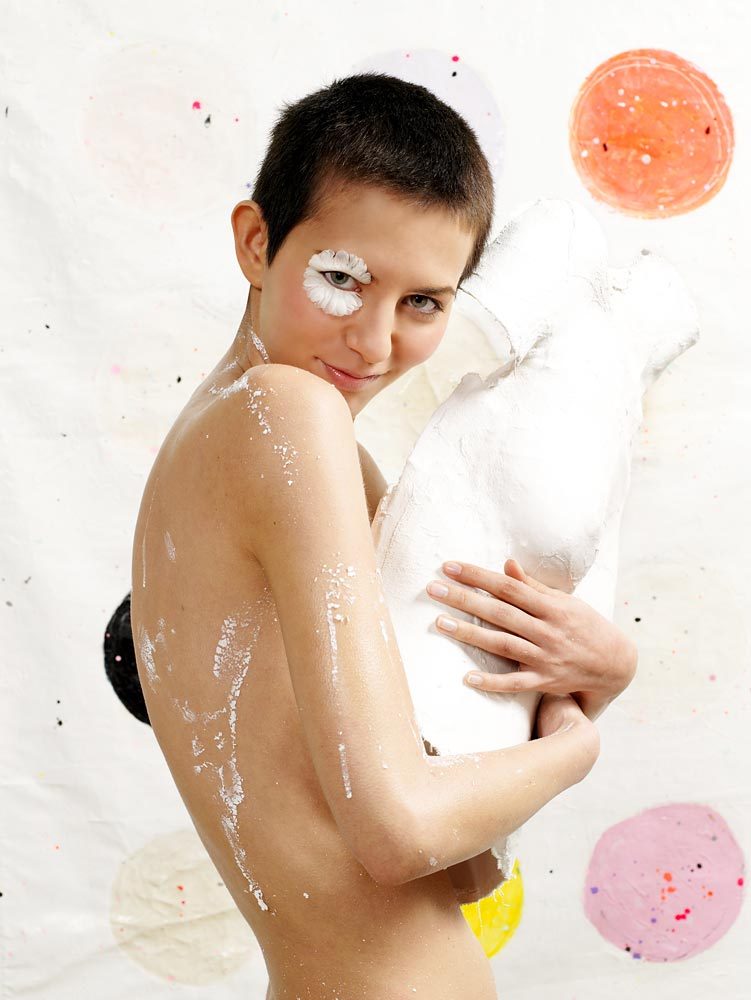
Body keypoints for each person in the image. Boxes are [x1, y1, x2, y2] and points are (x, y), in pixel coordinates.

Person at [130, 72, 631, 999]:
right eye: (341, 279)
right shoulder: (285, 419)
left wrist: (587, 679)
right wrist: (573, 746)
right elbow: (401, 834)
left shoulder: (251, 444)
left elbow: (463, 868)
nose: (372, 340)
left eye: (423, 302)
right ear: (256, 242)